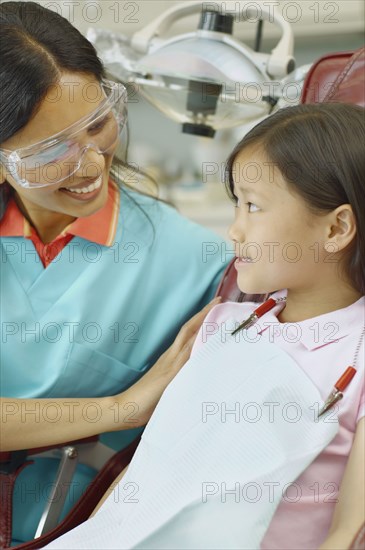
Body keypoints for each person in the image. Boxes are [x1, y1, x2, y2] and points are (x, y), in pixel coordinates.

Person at [46, 102, 365, 550]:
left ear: (336, 228)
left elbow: (348, 535)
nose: (235, 230)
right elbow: (144, 482)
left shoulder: (356, 357)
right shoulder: (221, 328)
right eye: (236, 205)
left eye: (254, 207)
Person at [0, 1, 229, 545]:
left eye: (97, 124)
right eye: (51, 148)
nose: (90, 165)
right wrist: (122, 405)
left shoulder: (196, 262)